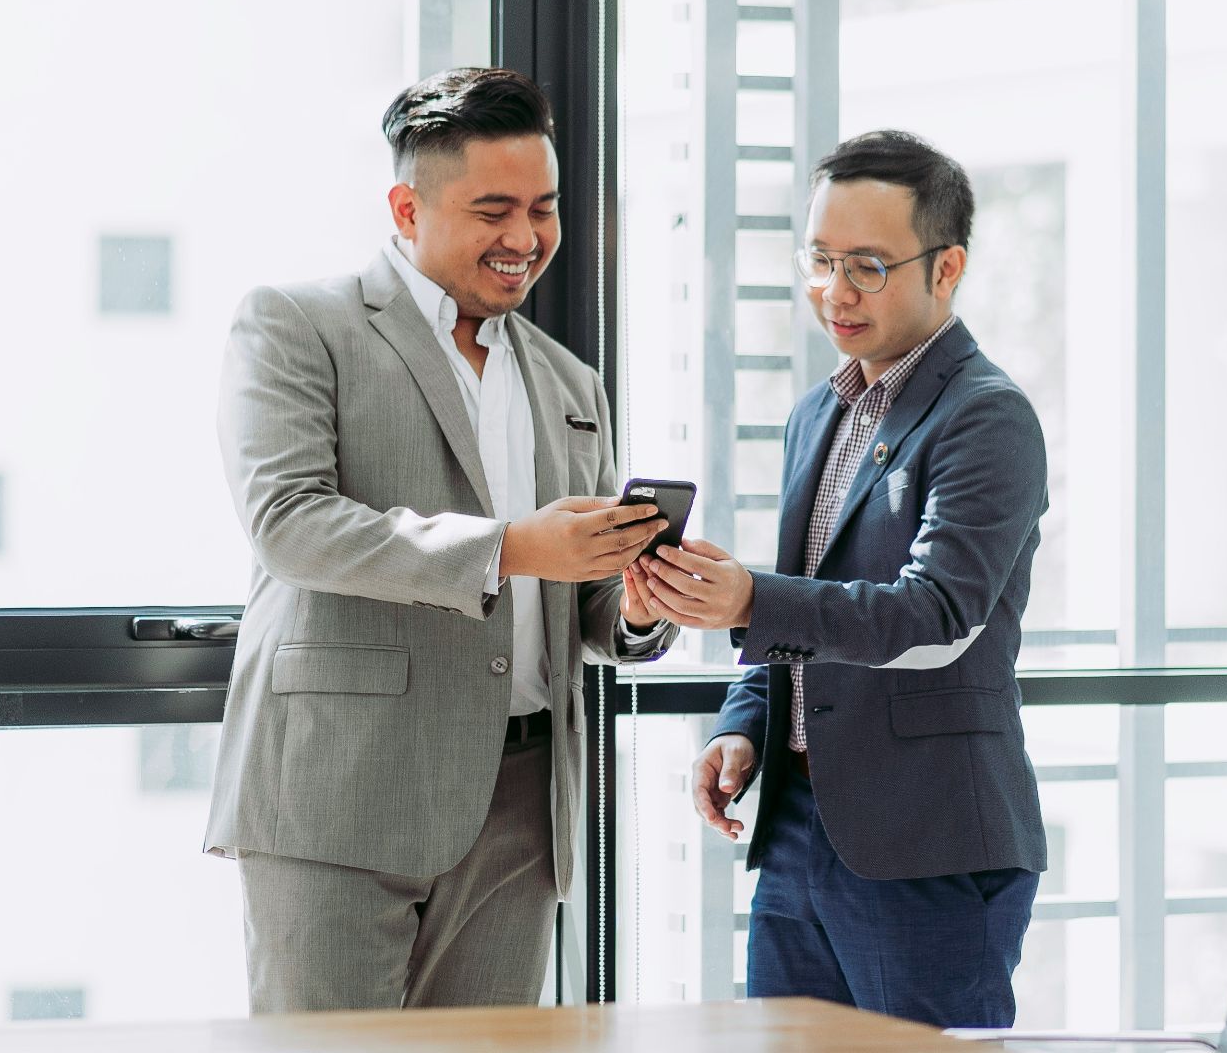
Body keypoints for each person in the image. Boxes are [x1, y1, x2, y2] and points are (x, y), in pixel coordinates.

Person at [203, 67, 676, 1013]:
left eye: (542, 209)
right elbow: (290, 524)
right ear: (406, 206)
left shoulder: (572, 383)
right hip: (342, 788)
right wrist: (507, 547)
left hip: (524, 805)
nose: (526, 238)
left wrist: (631, 605)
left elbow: (572, 600)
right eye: (493, 209)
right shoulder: (299, 325)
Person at [632, 130, 1048, 1028]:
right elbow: (805, 606)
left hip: (926, 842)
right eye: (819, 260)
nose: (834, 291)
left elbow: (936, 615)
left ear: (947, 269)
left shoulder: (987, 417)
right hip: (796, 831)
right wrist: (745, 726)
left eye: (866, 265)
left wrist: (748, 598)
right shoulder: (819, 412)